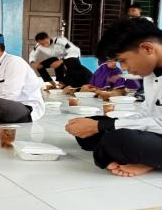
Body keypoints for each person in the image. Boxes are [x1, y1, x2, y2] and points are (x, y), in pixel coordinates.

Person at [65, 18, 162, 177]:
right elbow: (146, 114)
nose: (123, 68)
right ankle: (143, 158)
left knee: (118, 140)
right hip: (156, 133)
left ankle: (145, 160)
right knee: (88, 131)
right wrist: (99, 125)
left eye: (123, 60)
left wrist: (104, 126)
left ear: (147, 48)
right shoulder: (151, 73)